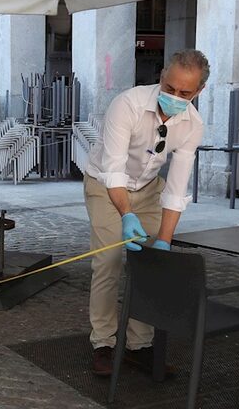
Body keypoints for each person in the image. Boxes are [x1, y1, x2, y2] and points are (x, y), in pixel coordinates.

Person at [82, 50, 210, 377]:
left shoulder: (193, 125)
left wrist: (164, 240)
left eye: (185, 93)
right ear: (162, 76)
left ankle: (139, 346)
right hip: (105, 184)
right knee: (109, 260)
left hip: (150, 188)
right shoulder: (128, 104)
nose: (175, 97)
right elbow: (113, 171)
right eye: (170, 88)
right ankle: (103, 344)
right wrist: (127, 215)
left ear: (199, 91)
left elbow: (176, 188)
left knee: (152, 263)